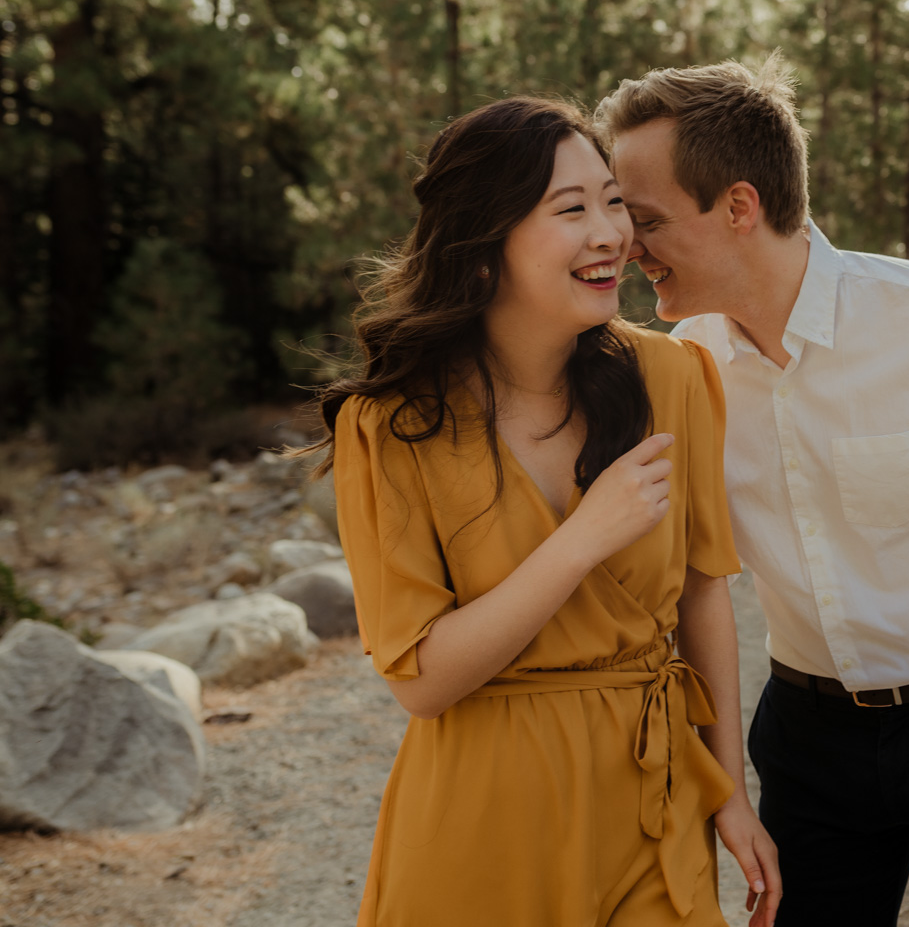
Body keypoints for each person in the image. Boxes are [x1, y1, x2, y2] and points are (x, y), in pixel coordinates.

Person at [596, 56, 909, 927]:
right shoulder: (683, 372)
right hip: (809, 747)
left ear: (739, 206)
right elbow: (688, 580)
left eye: (642, 219)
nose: (625, 246)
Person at [302, 98, 780, 927]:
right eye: (572, 210)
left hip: (651, 800)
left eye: (612, 202)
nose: (612, 234)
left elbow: (705, 596)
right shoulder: (389, 424)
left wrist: (729, 792)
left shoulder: (674, 377)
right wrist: (584, 538)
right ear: (486, 243)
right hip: (479, 819)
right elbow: (424, 680)